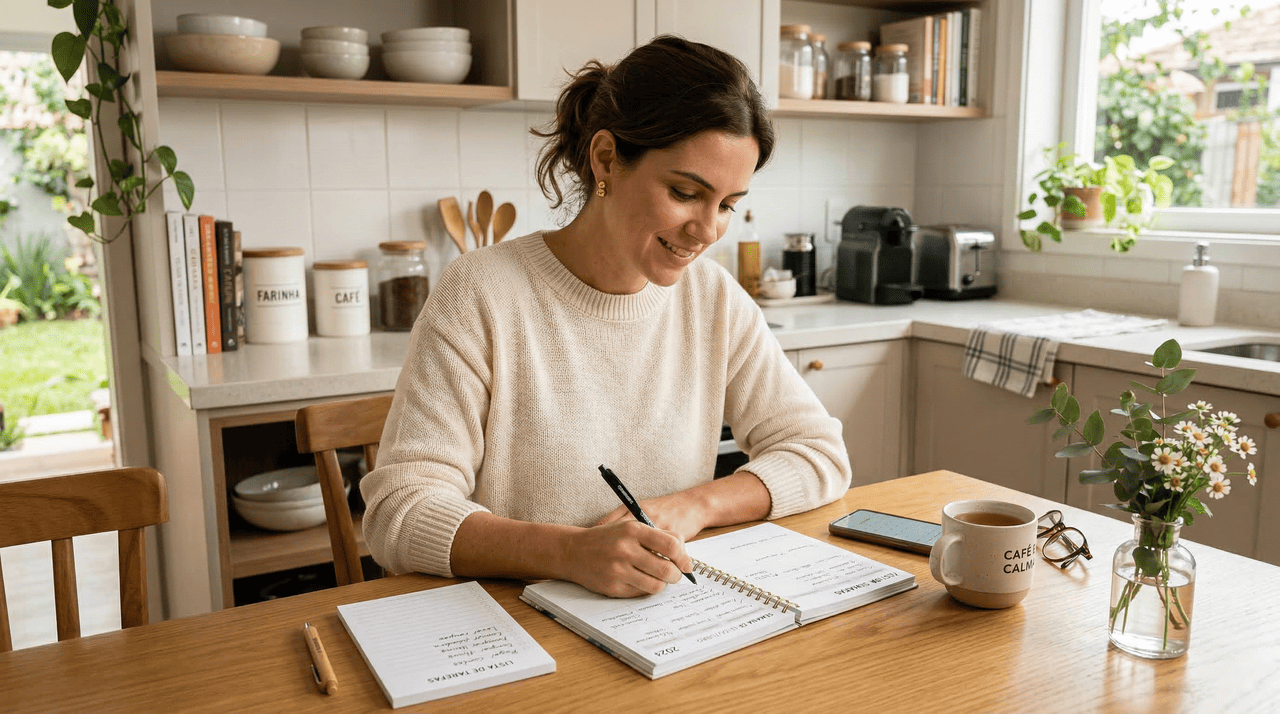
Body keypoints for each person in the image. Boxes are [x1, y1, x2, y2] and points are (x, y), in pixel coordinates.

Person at [361, 35, 851, 598]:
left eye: (727, 205)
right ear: (606, 159)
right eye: (685, 192)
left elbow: (818, 455)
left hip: (662, 624)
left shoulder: (712, 298)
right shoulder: (481, 293)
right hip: (517, 625)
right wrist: (568, 553)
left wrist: (693, 506)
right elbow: (397, 512)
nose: (708, 230)